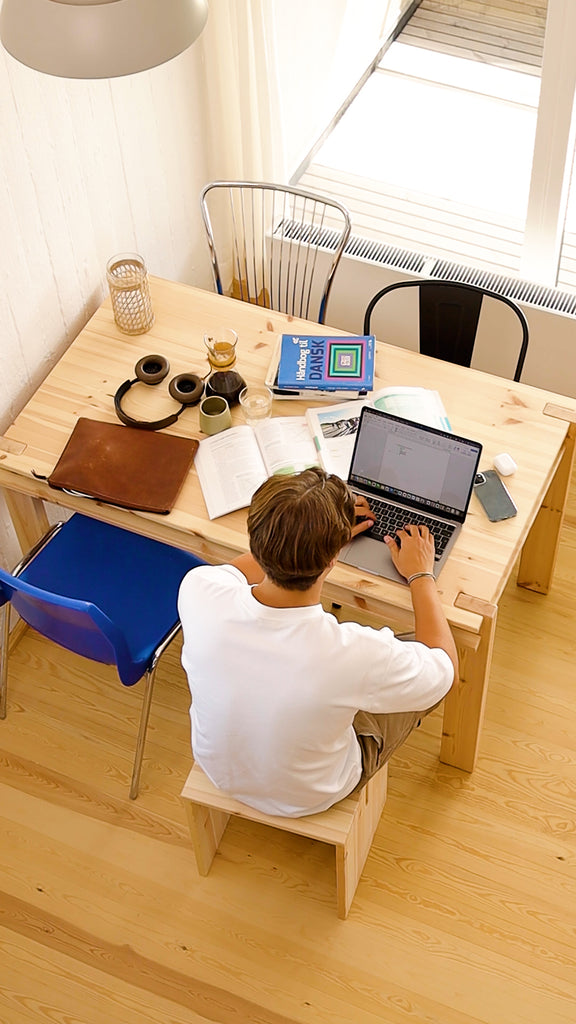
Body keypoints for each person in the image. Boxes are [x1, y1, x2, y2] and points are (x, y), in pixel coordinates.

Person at [178, 467, 458, 817]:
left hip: (220, 770)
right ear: (331, 561)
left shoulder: (198, 589)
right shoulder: (353, 653)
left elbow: (240, 569)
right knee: (424, 646)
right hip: (309, 796)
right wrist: (420, 574)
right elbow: (445, 668)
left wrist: (307, 532)